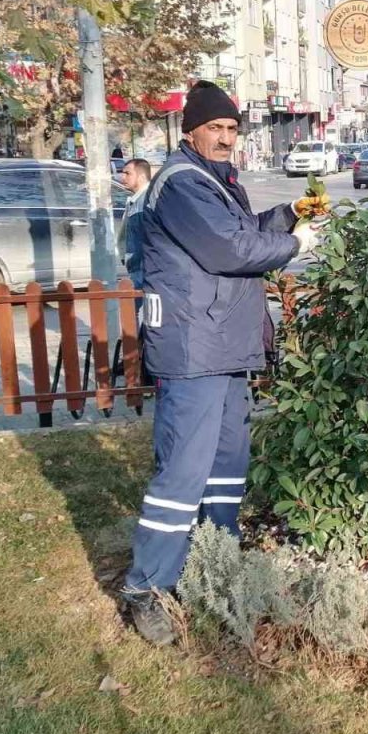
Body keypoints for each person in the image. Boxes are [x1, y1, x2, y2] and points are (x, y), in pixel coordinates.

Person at [121, 80, 323, 644]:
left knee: (228, 459)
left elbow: (241, 233)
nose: (226, 138)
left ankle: (215, 554)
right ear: (191, 131)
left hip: (225, 344)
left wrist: (285, 215)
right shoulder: (183, 183)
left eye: (233, 129)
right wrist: (298, 245)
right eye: (216, 128)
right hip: (193, 348)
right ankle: (146, 585)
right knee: (183, 470)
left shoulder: (214, 180)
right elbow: (227, 250)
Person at [118, 158, 152, 289]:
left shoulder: (146, 200)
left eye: (128, 173)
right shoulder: (135, 200)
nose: (123, 177)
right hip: (137, 268)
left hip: (143, 269)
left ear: (142, 177)